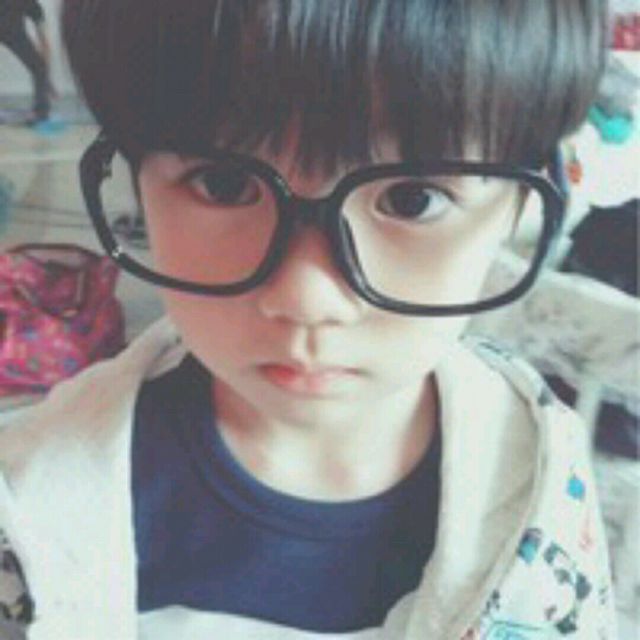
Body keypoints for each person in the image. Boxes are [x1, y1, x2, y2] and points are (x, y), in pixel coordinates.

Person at [0, 1, 618, 638]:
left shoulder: (542, 473)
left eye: (412, 199)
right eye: (224, 184)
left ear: (522, 202)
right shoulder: (33, 501)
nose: (306, 297)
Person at [0, 0, 52, 124]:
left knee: (39, 67)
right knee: (40, 67)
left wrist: (46, 76)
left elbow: (44, 42)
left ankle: (41, 111)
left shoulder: (34, 7)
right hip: (13, 31)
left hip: (14, 33)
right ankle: (41, 111)